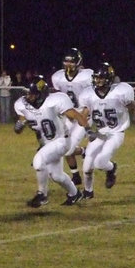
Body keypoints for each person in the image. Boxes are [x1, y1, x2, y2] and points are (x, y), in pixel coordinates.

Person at [13, 75, 86, 207]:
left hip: (61, 141)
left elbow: (73, 115)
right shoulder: (22, 104)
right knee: (56, 176)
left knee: (38, 161)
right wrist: (19, 125)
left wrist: (85, 124)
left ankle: (42, 195)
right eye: (28, 93)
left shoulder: (55, 100)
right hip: (46, 143)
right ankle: (75, 194)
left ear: (40, 94)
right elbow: (21, 121)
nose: (28, 97)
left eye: (32, 94)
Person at [76, 62, 135, 198]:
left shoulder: (119, 92)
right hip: (100, 132)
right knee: (87, 166)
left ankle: (111, 168)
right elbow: (84, 114)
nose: (98, 80)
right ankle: (88, 192)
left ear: (109, 78)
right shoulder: (89, 95)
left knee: (99, 162)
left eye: (101, 78)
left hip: (116, 132)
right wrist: (87, 129)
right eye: (96, 77)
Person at [50, 48, 93, 185]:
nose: (68, 65)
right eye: (66, 61)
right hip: (68, 115)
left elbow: (93, 96)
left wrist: (85, 113)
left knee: (68, 148)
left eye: (71, 62)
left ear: (78, 62)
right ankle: (75, 175)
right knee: (63, 145)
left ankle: (85, 152)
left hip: (82, 115)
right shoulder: (57, 76)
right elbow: (58, 96)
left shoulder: (87, 76)